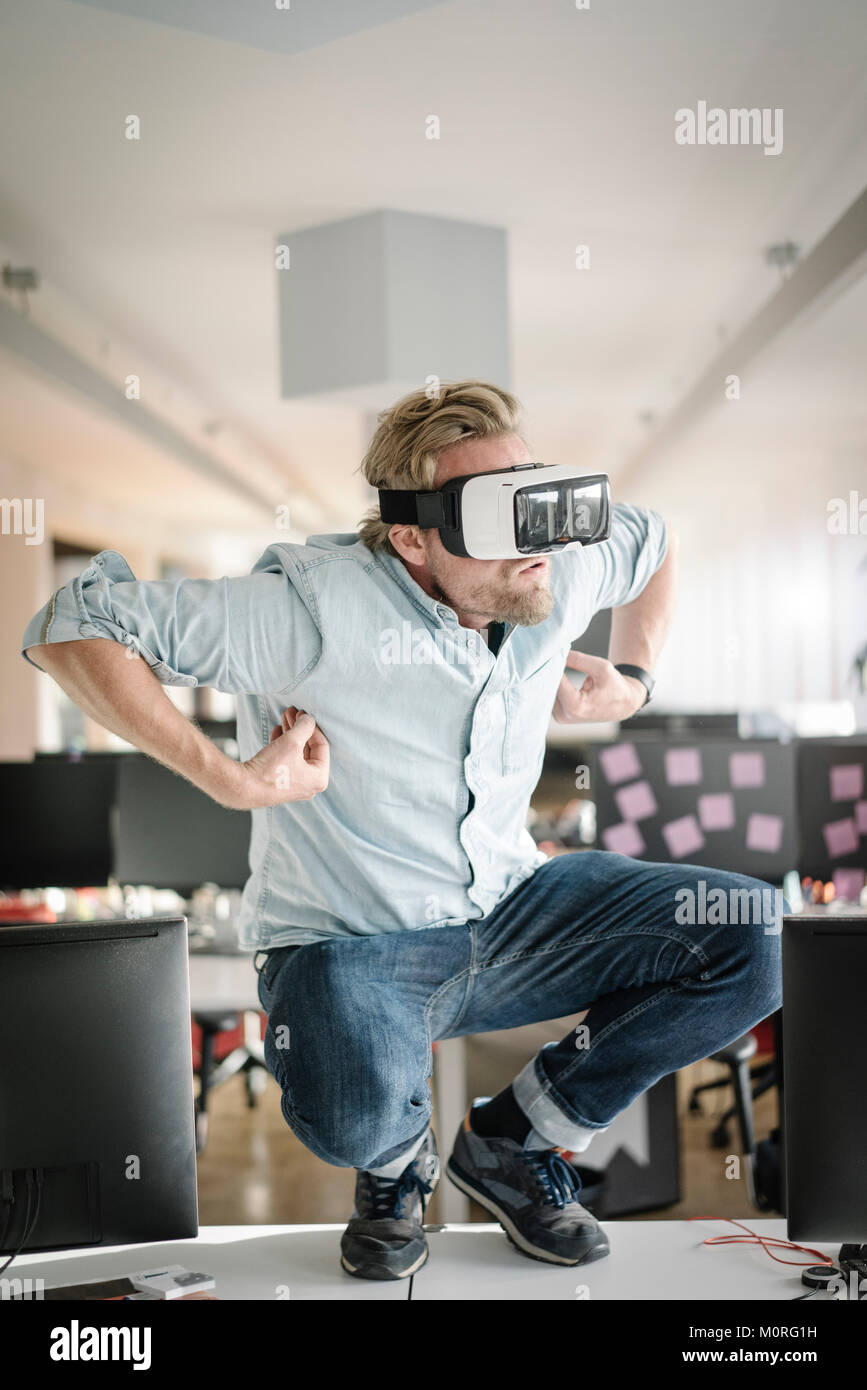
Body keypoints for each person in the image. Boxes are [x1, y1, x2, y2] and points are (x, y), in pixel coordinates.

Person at [21, 380, 782, 1281]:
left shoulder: (549, 564)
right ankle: (391, 1167)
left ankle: (515, 1140)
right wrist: (225, 780)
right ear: (413, 537)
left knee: (750, 930)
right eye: (496, 519)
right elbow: (72, 623)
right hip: (356, 947)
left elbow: (654, 541)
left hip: (512, 909)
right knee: (349, 1106)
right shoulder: (308, 610)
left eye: (529, 502)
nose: (536, 546)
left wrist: (633, 677)